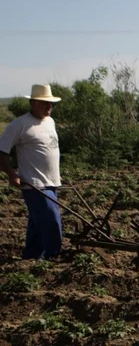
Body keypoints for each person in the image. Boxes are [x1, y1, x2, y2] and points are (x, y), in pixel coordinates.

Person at [0, 84, 63, 260]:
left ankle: (31, 257)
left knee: (37, 222)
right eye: (45, 103)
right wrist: (13, 176)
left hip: (52, 181)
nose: (49, 107)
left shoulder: (50, 121)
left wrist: (55, 173)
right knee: (51, 219)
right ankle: (53, 257)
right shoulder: (19, 124)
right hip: (33, 183)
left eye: (50, 104)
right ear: (33, 103)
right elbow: (2, 152)